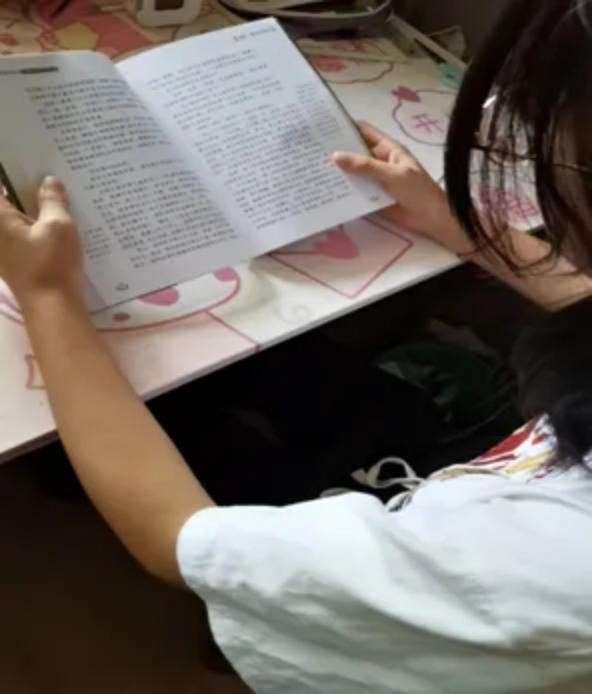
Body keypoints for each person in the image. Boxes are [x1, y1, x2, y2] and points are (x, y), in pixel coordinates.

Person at [3, 0, 592, 690]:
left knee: (216, 431)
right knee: (304, 375)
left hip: (422, 538)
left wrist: (48, 297)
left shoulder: (532, 563)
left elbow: (177, 538)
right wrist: (448, 219)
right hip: (490, 472)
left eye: (540, 151)